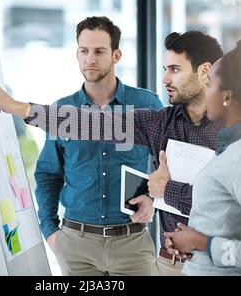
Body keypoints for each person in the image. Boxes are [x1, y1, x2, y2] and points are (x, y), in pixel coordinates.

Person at [0, 30, 224, 276]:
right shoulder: (159, 122)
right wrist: (16, 106)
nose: (165, 79)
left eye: (174, 69)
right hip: (168, 264)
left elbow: (232, 206)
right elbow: (86, 123)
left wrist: (165, 190)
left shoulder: (234, 130)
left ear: (204, 71)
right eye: (165, 69)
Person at [31, 16, 164, 275]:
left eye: (99, 51)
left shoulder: (146, 105)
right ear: (77, 54)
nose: (90, 58)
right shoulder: (62, 111)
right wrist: (51, 232)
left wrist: (151, 198)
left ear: (116, 55)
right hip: (76, 246)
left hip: (132, 245)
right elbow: (48, 175)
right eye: (84, 51)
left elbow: (168, 164)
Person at [163, 33, 241, 275]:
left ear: (228, 96)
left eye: (209, 85)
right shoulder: (234, 146)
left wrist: (201, 243)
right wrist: (190, 245)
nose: (204, 91)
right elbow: (227, 227)